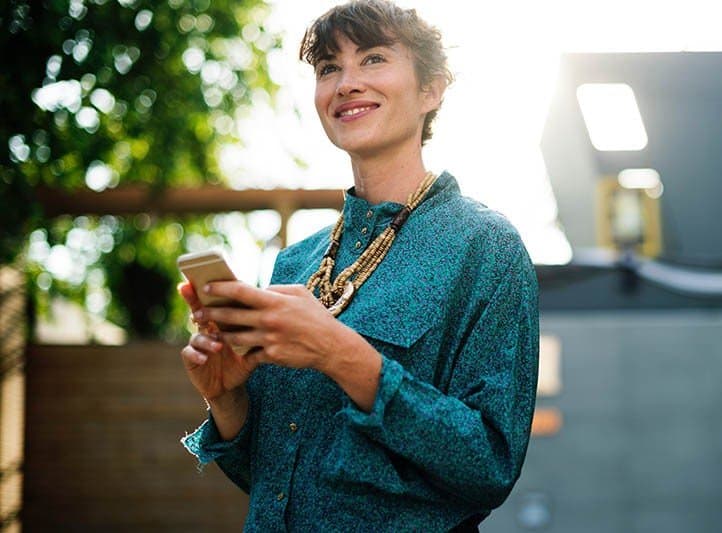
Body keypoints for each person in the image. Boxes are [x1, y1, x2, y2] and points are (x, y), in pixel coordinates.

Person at [179, 1, 539, 531]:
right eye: (329, 68)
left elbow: (490, 465)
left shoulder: (487, 248)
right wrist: (226, 397)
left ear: (431, 90)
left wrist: (339, 353)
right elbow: (270, 479)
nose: (346, 82)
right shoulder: (294, 263)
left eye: (372, 59)